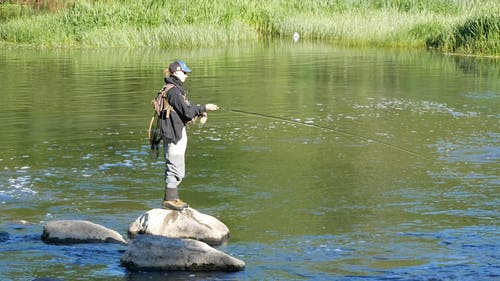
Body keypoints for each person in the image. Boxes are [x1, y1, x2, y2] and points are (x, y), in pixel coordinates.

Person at [160, 60, 219, 210]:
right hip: (174, 133)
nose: (186, 75)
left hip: (175, 131)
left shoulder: (175, 90)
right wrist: (205, 107)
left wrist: (200, 111)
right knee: (175, 167)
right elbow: (187, 112)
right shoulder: (173, 91)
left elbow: (186, 108)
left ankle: (173, 198)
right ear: (176, 72)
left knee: (176, 166)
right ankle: (169, 200)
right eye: (184, 72)